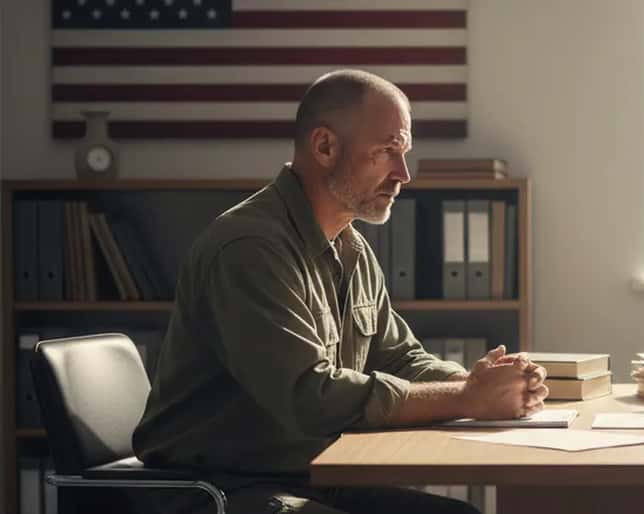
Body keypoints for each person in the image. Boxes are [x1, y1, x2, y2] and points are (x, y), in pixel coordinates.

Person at [132, 69, 549, 514]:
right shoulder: (249, 249)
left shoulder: (351, 245)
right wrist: (468, 399)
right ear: (325, 147)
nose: (403, 173)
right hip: (217, 488)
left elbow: (398, 357)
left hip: (306, 474)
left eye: (404, 152)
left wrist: (480, 382)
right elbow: (310, 397)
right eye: (388, 151)